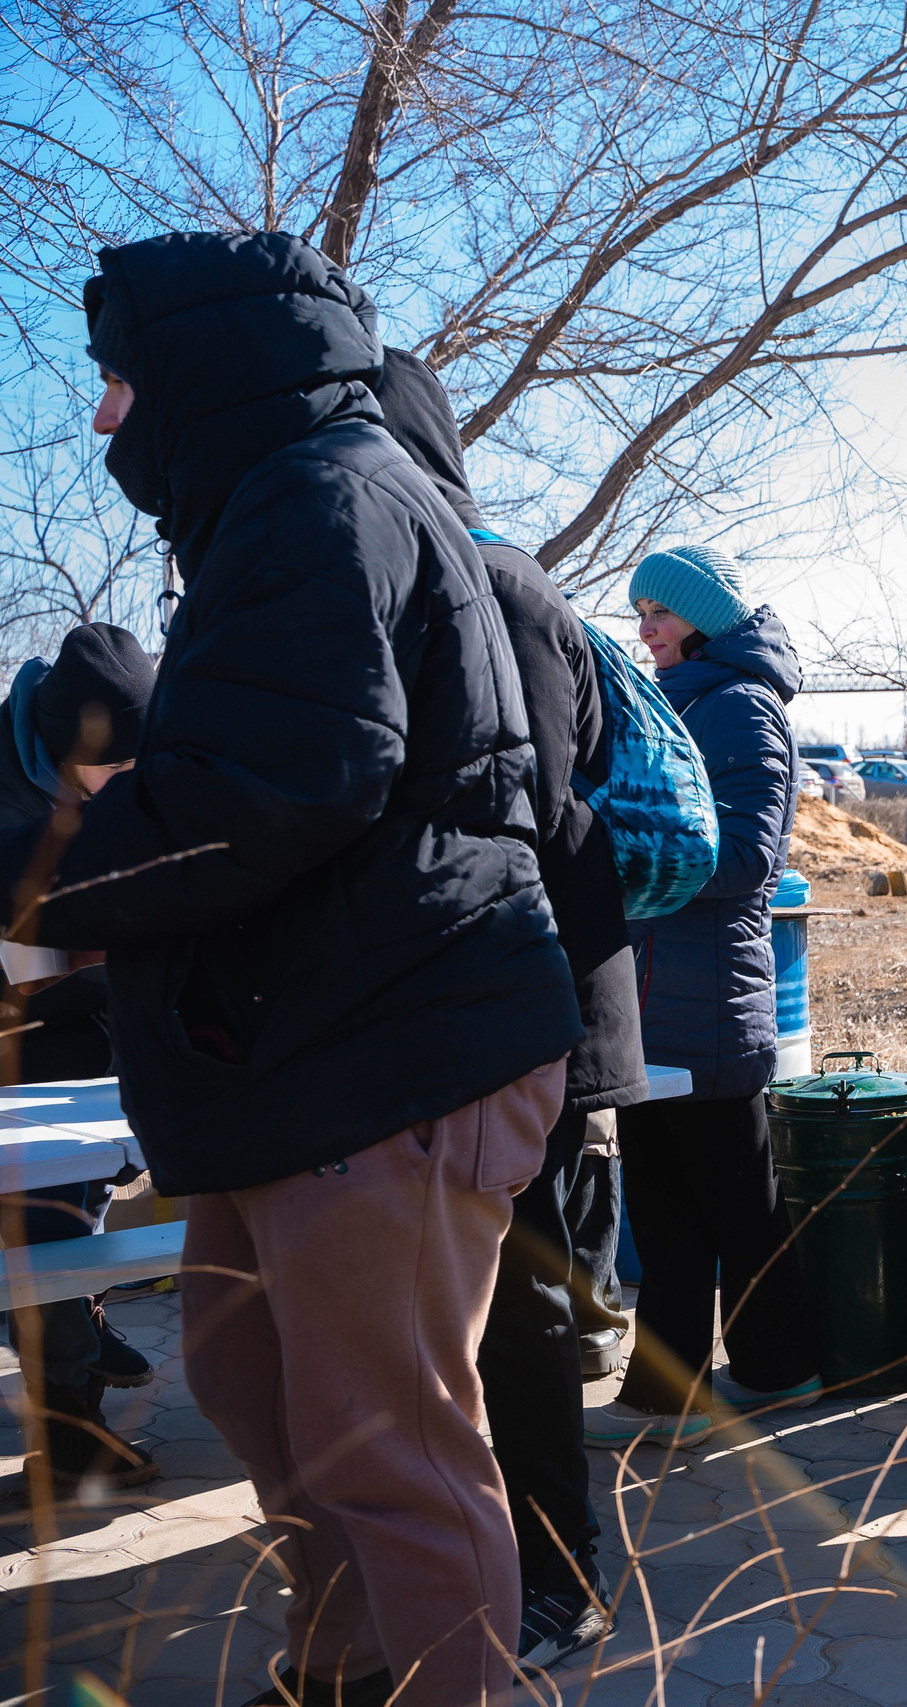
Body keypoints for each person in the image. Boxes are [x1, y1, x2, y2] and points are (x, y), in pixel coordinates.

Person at [24, 231, 583, 1707]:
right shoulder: (286, 501)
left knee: (389, 1441)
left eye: (120, 382)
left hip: (390, 1048)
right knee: (260, 1388)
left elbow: (278, 779)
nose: (102, 420)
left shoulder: (321, 496)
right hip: (300, 1055)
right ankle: (339, 1673)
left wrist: (42, 867)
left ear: (198, 376)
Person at [372, 349, 647, 1668]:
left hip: (533, 1004)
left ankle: (564, 1573)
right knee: (496, 1308)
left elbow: (519, 810)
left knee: (530, 1311)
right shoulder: (456, 578)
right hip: (503, 998)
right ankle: (493, 1561)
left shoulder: (499, 590)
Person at [585, 543, 819, 1445]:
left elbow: (747, 857)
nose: (645, 630)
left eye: (661, 613)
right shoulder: (676, 701)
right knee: (666, 1201)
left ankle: (777, 1368)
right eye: (639, 613)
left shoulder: (741, 706)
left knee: (734, 1203)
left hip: (711, 992)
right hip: (649, 990)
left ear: (707, 619)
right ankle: (667, 1392)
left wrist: (634, 852)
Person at [0, 623, 159, 1494]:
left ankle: (78, 1351)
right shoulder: (8, 796)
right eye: (120, 768)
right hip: (24, 1040)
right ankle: (69, 1432)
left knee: (83, 1192)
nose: (133, 786)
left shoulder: (104, 777)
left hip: (89, 1021)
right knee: (45, 1205)